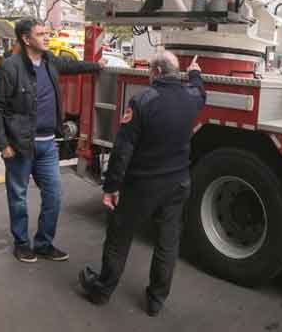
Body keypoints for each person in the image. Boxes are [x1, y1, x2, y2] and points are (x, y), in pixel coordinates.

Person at [80, 51, 206, 317]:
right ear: (176, 72)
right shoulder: (191, 97)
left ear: (156, 73)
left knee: (119, 237)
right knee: (167, 243)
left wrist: (111, 187)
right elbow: (199, 88)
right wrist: (194, 71)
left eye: (150, 71)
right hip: (178, 184)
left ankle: (102, 290)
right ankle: (156, 300)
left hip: (143, 186)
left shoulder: (143, 101)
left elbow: (123, 150)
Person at [0, 18, 102, 264]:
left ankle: (44, 243)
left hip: (48, 144)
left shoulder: (50, 62)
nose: (47, 37)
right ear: (26, 39)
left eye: (47, 33)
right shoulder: (9, 68)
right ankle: (21, 243)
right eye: (41, 34)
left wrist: (96, 65)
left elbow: (73, 66)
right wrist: (3, 145)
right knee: (18, 197)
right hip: (20, 146)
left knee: (54, 195)